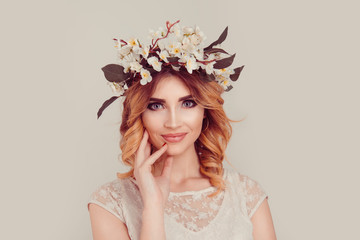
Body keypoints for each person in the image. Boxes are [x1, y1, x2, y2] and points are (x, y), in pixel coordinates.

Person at [88, 20, 277, 240]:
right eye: (156, 106)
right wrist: (153, 206)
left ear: (205, 110)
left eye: (187, 103)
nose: (173, 122)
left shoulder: (247, 196)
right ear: (140, 114)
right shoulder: (110, 203)